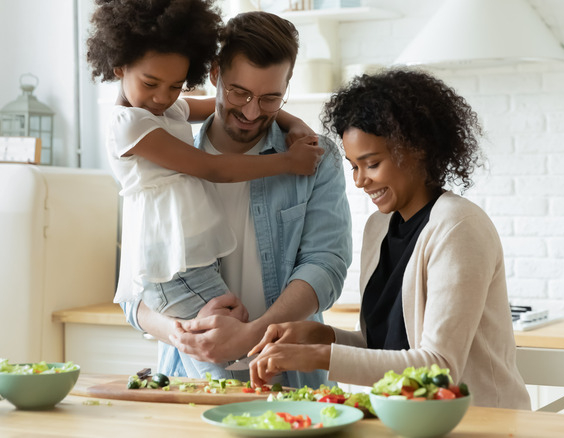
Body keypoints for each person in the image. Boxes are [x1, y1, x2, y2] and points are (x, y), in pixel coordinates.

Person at [246, 68, 532, 409]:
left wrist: (321, 357)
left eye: (372, 164)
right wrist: (318, 336)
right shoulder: (379, 228)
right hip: (407, 422)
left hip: (479, 423)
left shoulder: (458, 227)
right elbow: (385, 346)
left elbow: (438, 367)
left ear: (418, 150)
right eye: (354, 166)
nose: (360, 181)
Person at [86, 0, 324, 379]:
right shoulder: (129, 125)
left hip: (192, 263)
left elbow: (216, 105)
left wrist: (293, 122)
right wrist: (287, 162)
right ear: (119, 66)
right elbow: (211, 168)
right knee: (221, 369)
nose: (164, 97)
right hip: (174, 268)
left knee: (225, 363)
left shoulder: (164, 110)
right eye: (151, 84)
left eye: (176, 85)